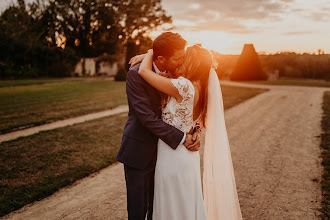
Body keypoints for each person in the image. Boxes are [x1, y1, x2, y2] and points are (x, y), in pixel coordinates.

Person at [137, 44, 243, 219]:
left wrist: (150, 53)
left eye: (184, 58)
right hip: (188, 157)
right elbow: (200, 120)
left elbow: (144, 73)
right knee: (186, 205)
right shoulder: (202, 87)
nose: (180, 61)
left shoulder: (184, 86)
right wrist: (198, 130)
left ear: (192, 63)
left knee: (172, 206)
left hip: (172, 157)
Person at [116, 32, 202, 220]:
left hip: (165, 156)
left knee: (159, 209)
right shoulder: (135, 75)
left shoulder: (176, 73)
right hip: (139, 150)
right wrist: (182, 137)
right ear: (161, 59)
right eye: (178, 58)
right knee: (138, 211)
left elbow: (187, 108)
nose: (181, 63)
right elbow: (147, 118)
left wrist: (196, 129)